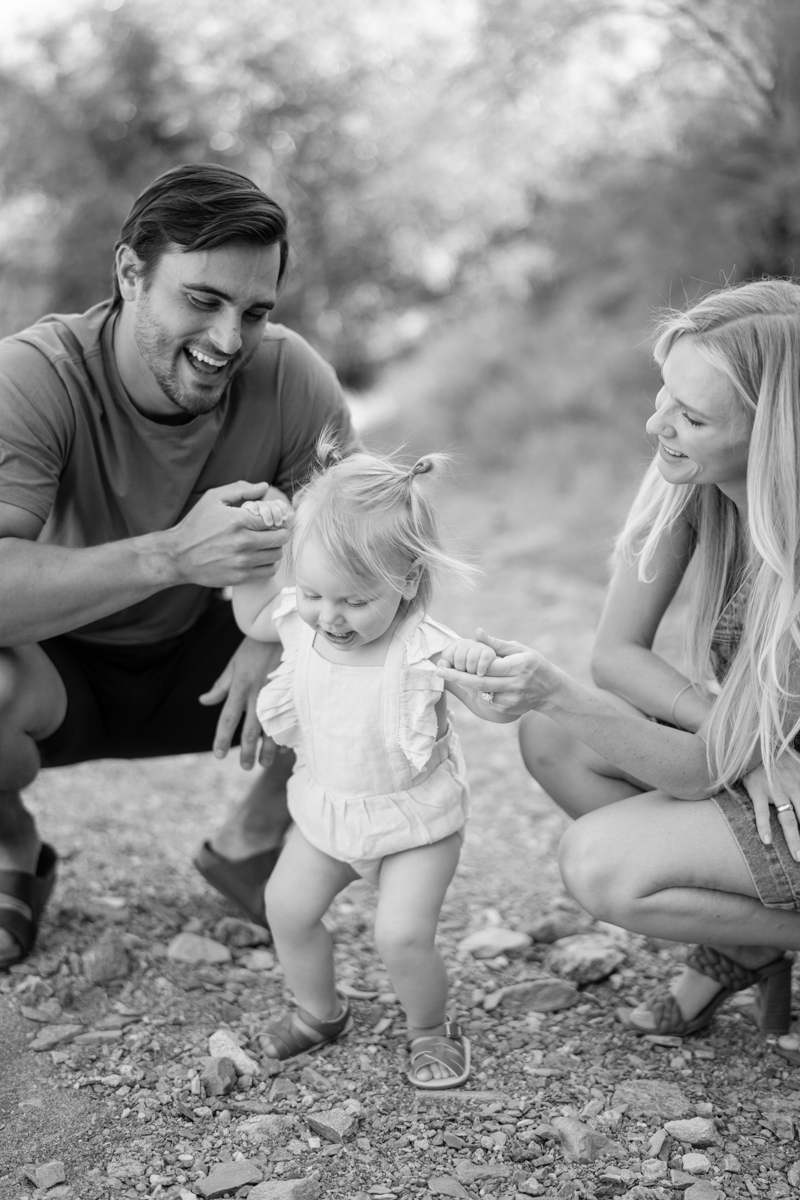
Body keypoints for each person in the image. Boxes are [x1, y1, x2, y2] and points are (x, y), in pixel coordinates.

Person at [0, 162, 355, 970]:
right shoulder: (32, 376)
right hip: (54, 669)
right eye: (202, 300)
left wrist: (275, 630)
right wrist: (171, 554)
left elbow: (372, 552)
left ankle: (253, 838)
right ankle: (12, 845)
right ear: (130, 273)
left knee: (394, 643)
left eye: (254, 312)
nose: (230, 341)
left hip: (218, 667)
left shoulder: (293, 376)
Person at [437, 279, 800, 1062]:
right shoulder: (692, 475)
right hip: (777, 764)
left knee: (601, 866)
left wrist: (555, 689)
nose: (655, 424)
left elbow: (698, 773)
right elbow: (615, 654)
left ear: (772, 436)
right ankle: (747, 948)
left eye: (693, 417)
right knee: (554, 738)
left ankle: (755, 942)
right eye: (664, 395)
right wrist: (748, 739)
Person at [232, 442, 515, 1087]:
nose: (328, 617)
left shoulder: (424, 648)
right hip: (327, 812)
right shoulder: (302, 621)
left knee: (401, 936)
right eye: (312, 593)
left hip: (415, 823)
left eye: (354, 602)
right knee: (286, 907)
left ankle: (429, 1030)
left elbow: (496, 711)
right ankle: (318, 1011)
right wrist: (249, 551)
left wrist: (482, 673)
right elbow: (253, 612)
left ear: (407, 582)